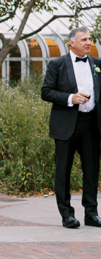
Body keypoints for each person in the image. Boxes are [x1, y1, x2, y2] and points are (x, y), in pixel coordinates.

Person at [41, 26, 101, 229]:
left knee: (91, 171)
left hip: (92, 124)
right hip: (66, 125)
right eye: (84, 39)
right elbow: (46, 92)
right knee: (63, 171)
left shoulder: (97, 64)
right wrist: (70, 98)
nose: (88, 42)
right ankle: (67, 215)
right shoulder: (57, 64)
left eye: (89, 39)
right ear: (71, 43)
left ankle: (91, 214)